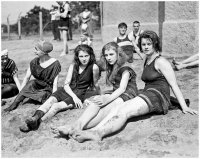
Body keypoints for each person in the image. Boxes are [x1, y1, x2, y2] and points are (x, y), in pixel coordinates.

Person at [53, 31, 197, 142]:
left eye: (149, 44)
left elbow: (174, 85)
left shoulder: (161, 62)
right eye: (143, 44)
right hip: (147, 94)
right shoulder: (147, 59)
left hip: (158, 97)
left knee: (123, 110)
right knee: (107, 107)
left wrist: (184, 107)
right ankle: (76, 127)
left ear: (155, 44)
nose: (145, 47)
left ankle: (97, 133)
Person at [52, 42, 138, 138]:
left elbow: (122, 89)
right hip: (116, 93)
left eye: (111, 54)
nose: (108, 58)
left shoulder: (125, 68)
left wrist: (106, 99)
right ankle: (76, 125)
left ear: (118, 54)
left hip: (128, 94)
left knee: (105, 110)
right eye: (106, 55)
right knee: (96, 102)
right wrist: (102, 96)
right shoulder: (112, 66)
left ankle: (74, 128)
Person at [19, 44, 100, 132]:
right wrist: (74, 97)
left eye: (86, 56)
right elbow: (66, 84)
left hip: (79, 94)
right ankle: (34, 118)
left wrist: (99, 95)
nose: (84, 59)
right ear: (77, 57)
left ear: (90, 55)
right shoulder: (73, 66)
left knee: (55, 106)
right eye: (81, 56)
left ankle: (35, 124)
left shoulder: (94, 68)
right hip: (66, 90)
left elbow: (95, 84)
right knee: (49, 102)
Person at [4, 40, 61, 112]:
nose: (34, 51)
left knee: (44, 96)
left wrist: (53, 98)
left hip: (48, 88)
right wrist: (20, 93)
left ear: (43, 52)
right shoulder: (34, 62)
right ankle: (15, 104)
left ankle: (35, 96)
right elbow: (27, 78)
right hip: (37, 85)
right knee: (31, 82)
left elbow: (55, 83)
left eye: (36, 49)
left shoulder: (55, 64)